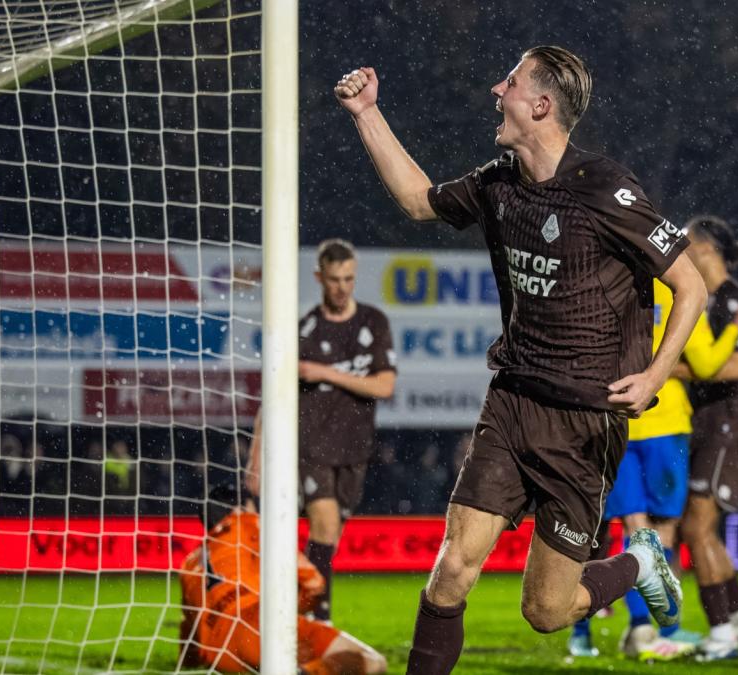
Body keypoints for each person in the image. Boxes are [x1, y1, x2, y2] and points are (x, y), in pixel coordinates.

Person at [335, 45, 707, 675]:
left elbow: (692, 285)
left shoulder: (607, 189)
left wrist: (656, 373)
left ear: (541, 105)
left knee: (547, 611)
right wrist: (366, 112)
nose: (494, 90)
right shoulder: (499, 181)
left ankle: (641, 560)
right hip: (512, 400)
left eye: (509, 81)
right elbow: (419, 200)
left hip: (586, 422)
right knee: (453, 565)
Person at [586, 275, 738, 661]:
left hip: (615, 421)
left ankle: (640, 630)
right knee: (662, 533)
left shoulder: (601, 282)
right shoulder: (677, 289)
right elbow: (704, 362)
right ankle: (665, 629)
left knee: (635, 530)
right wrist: (733, 330)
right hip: (664, 423)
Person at [249, 239, 398, 623]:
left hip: (355, 448)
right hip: (311, 445)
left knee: (328, 537)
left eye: (348, 278)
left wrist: (326, 373)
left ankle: (299, 598)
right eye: (334, 279)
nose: (341, 287)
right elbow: (271, 396)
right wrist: (256, 458)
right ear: (319, 277)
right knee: (325, 522)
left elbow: (384, 385)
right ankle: (320, 618)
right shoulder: (304, 331)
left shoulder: (373, 322)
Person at [679, 215, 738, 660]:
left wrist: (669, 370)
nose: (678, 249)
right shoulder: (714, 298)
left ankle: (720, 634)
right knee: (703, 530)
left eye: (685, 242)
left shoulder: (731, 299)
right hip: (719, 423)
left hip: (731, 423)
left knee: (696, 529)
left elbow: (734, 368)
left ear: (705, 250)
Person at [178, 484, 387, 674]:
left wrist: (188, 662)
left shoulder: (190, 562)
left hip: (220, 653)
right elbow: (313, 582)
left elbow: (188, 632)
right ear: (238, 509)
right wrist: (302, 605)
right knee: (373, 662)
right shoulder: (249, 522)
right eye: (252, 506)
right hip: (256, 622)